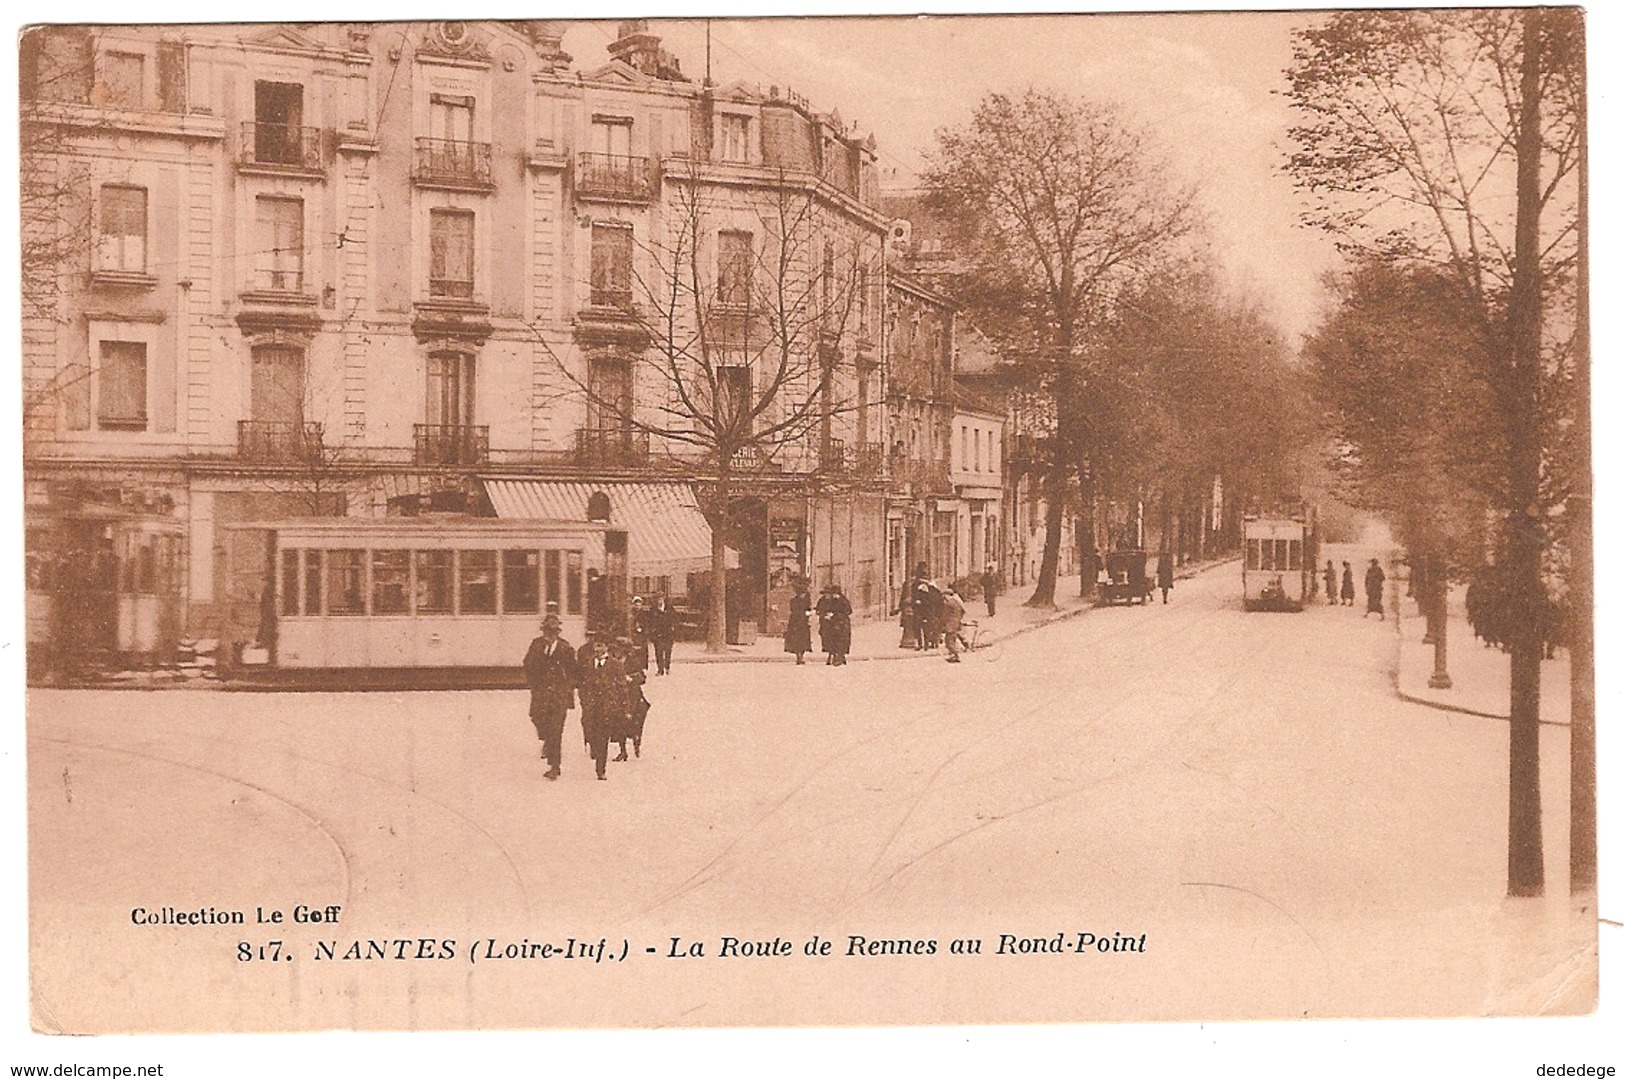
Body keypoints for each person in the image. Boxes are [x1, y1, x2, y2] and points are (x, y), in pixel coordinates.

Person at [522, 614, 577, 781]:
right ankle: (545, 739)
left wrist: (566, 690)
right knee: (536, 717)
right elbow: (528, 664)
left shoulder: (566, 648)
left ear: (558, 633)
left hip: (558, 696)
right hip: (541, 693)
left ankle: (555, 766)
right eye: (547, 631)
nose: (550, 634)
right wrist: (535, 685)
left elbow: (573, 672)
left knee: (556, 730)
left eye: (553, 631)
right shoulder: (536, 645)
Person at [577, 636, 626, 781]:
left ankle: (601, 769)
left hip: (607, 707)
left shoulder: (616, 665)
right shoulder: (587, 663)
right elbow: (582, 684)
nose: (598, 649)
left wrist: (622, 706)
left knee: (603, 737)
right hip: (590, 707)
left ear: (606, 647)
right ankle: (594, 749)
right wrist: (584, 701)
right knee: (590, 733)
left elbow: (622, 687)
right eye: (596, 646)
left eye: (601, 646)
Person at [610, 636, 646, 761]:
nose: (617, 651)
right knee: (619, 723)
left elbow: (642, 677)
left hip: (632, 695)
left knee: (633, 721)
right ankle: (623, 750)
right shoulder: (612, 661)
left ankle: (636, 742)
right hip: (617, 695)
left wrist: (630, 678)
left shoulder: (633, 660)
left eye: (619, 648)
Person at [816, 583, 853, 666]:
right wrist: (823, 614)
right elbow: (821, 609)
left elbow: (848, 611)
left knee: (840, 640)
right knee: (829, 640)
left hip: (842, 624)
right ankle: (833, 655)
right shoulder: (824, 600)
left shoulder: (843, 600)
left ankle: (839, 656)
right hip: (829, 623)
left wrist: (834, 615)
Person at [784, 578, 813, 664]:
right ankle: (798, 656)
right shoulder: (794, 601)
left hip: (803, 623)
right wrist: (805, 613)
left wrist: (809, 613)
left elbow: (808, 609)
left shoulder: (806, 600)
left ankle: (801, 656)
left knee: (803, 640)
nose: (803, 595)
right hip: (796, 623)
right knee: (797, 640)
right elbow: (795, 611)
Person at [646, 594, 677, 675]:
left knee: (668, 652)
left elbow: (675, 620)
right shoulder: (653, 610)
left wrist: (673, 631)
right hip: (657, 634)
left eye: (661, 599)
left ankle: (667, 667)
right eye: (658, 599)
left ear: (664, 599)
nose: (660, 601)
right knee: (658, 652)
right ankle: (660, 670)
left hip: (668, 634)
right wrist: (652, 632)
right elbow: (649, 621)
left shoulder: (669, 608)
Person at [941, 583, 967, 663]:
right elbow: (962, 611)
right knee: (953, 639)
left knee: (948, 641)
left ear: (947, 595)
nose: (944, 597)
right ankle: (955, 653)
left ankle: (955, 655)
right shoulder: (956, 602)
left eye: (944, 596)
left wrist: (942, 623)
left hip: (951, 625)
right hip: (956, 623)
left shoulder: (948, 604)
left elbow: (945, 615)